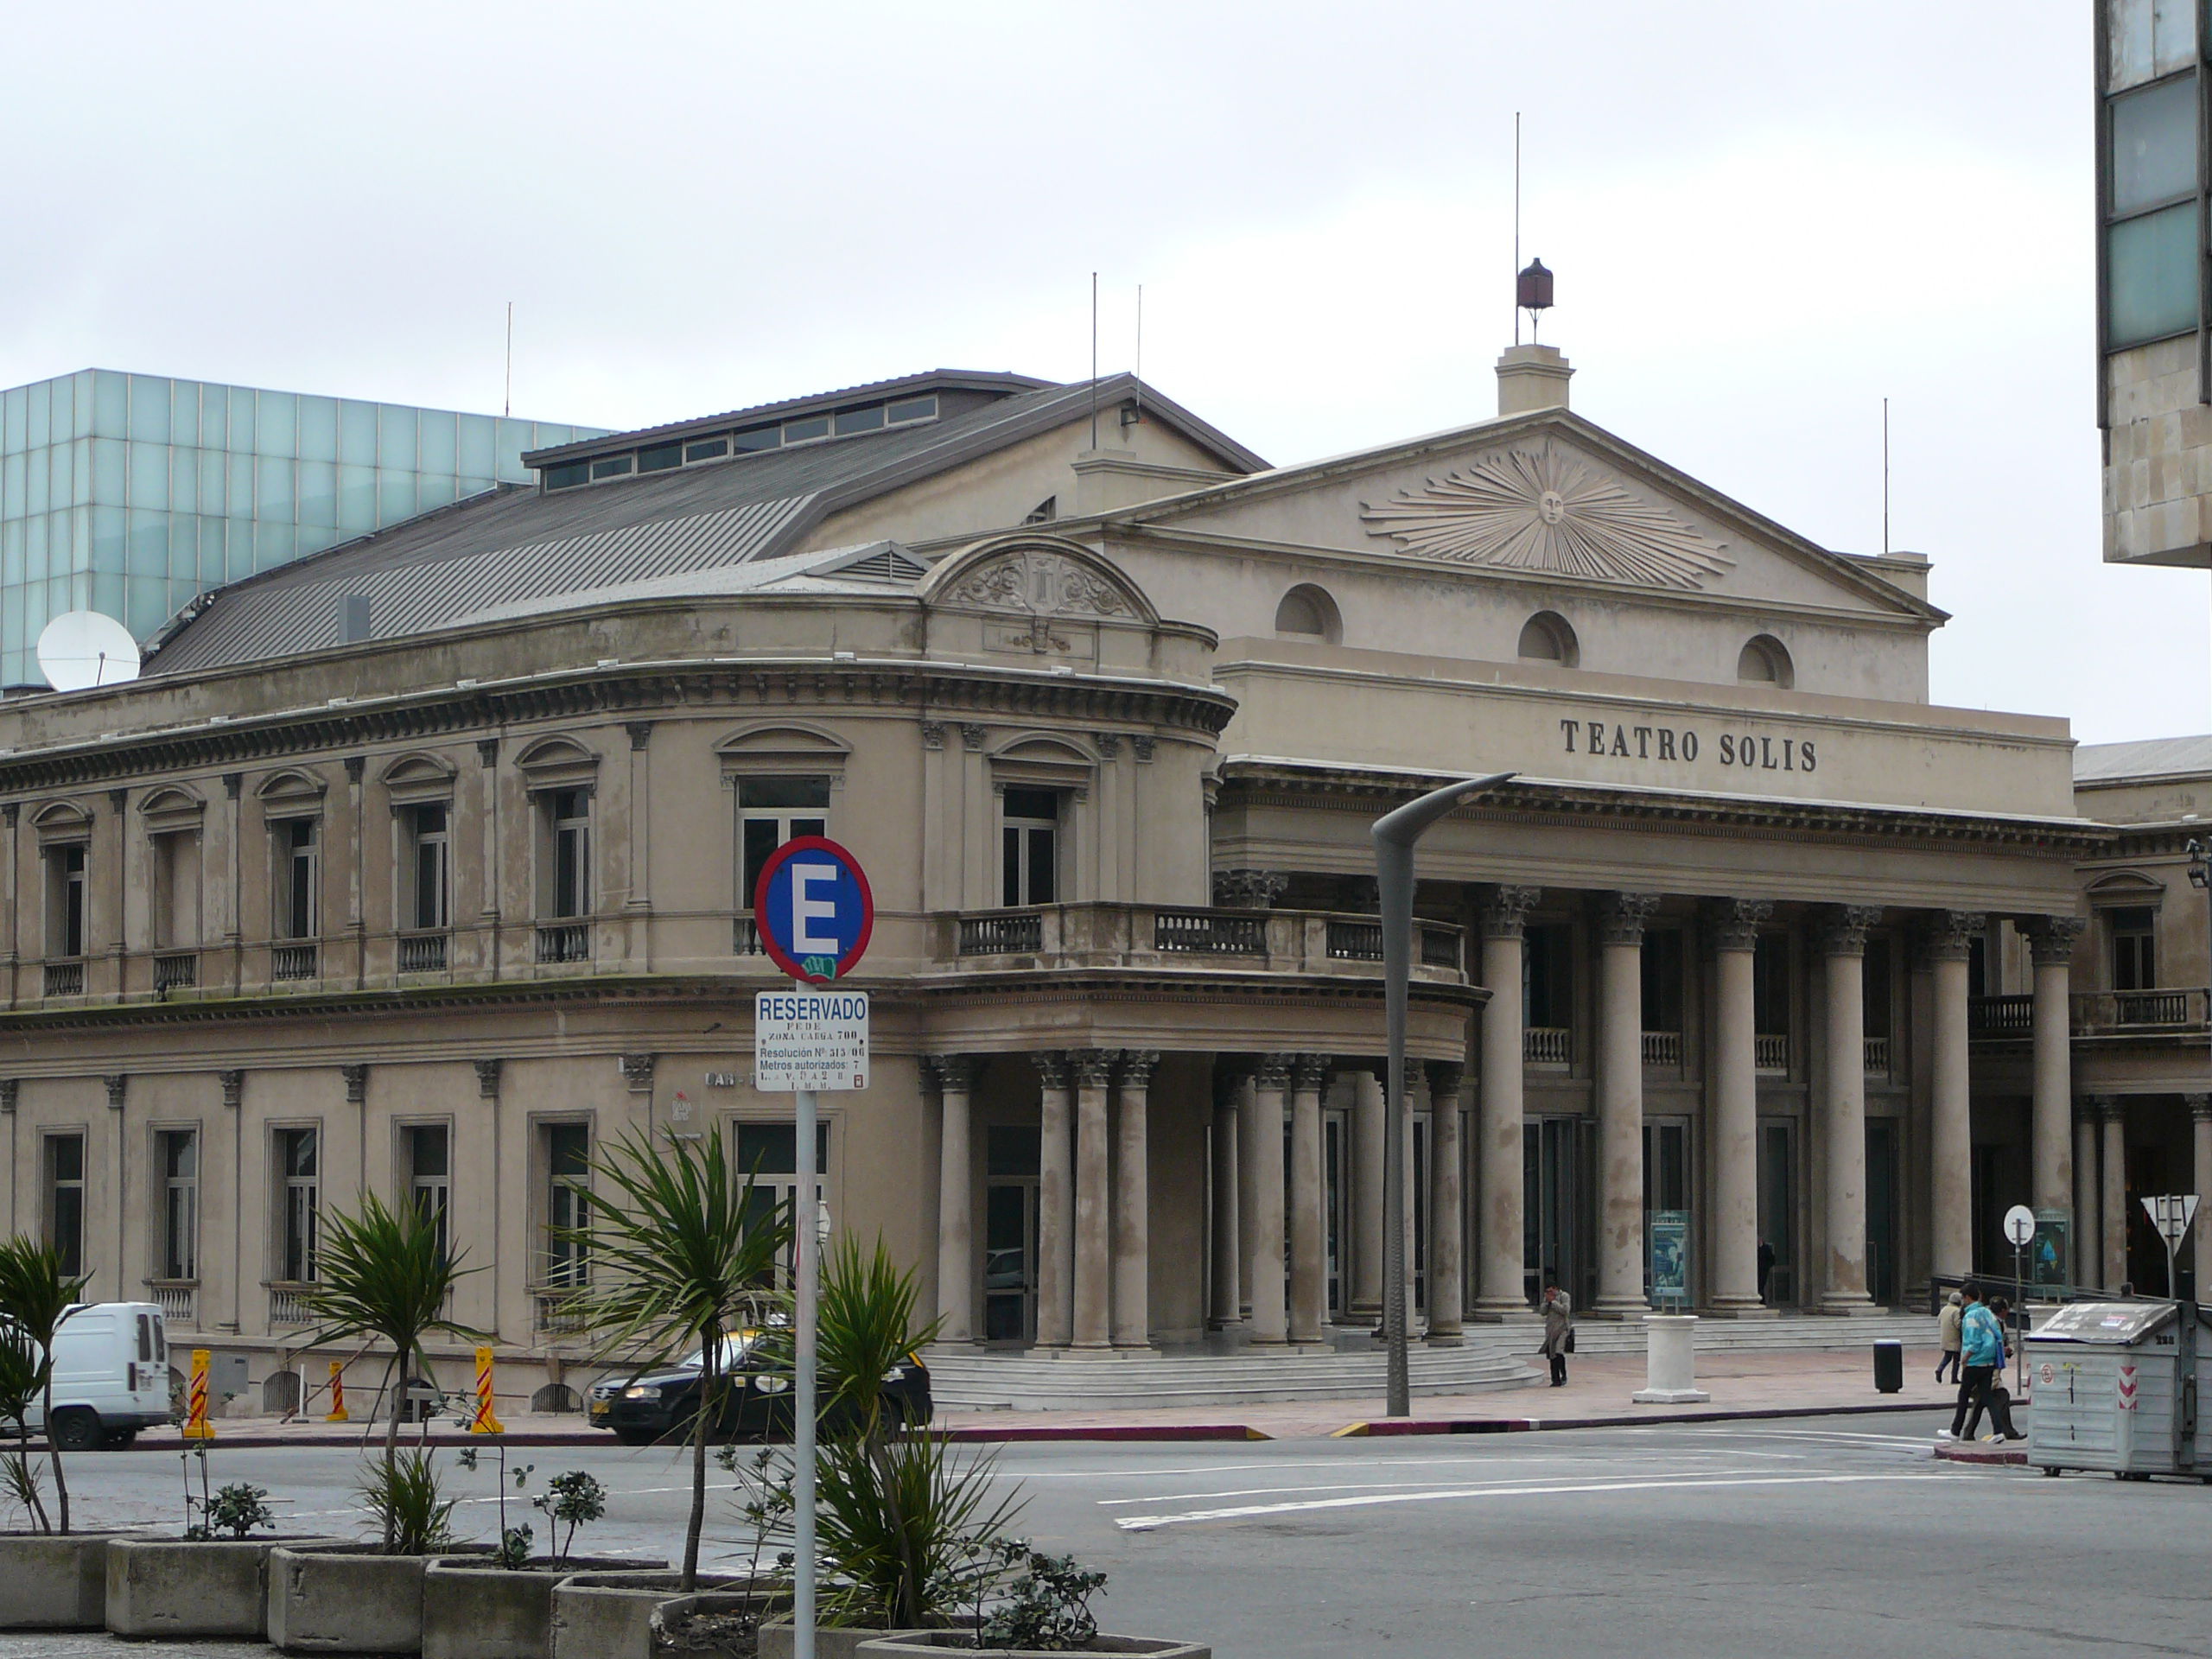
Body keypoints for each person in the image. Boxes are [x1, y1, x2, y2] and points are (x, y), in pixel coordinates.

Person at [1945, 1284, 2004, 1441]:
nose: (1962, 1302)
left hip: (1975, 1361)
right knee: (1987, 1396)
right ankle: (1998, 1431)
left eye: (1963, 1298)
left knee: (1963, 1394)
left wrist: (1965, 1358)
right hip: (1989, 1360)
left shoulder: (1971, 1317)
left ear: (1967, 1298)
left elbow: (1974, 1341)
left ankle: (1955, 1431)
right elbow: (1998, 1333)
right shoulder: (1987, 1312)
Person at [1966, 1296, 2025, 1441]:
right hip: (1986, 1367)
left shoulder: (1995, 1321)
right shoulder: (1990, 1323)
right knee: (2002, 1397)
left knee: (1982, 1401)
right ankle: (2005, 1432)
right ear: (2003, 1310)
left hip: (1987, 1367)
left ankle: (1968, 1433)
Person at [1540, 1283, 1573, 1387]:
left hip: (1562, 1328)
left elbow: (1565, 1311)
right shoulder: (1547, 1299)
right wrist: (1547, 1302)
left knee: (1559, 1352)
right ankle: (1555, 1379)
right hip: (1551, 1330)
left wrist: (1553, 1302)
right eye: (1547, 1291)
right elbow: (1542, 1312)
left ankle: (1563, 1375)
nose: (1549, 1293)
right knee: (1552, 1354)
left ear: (1556, 1289)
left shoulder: (1564, 1296)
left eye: (1551, 1291)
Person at [1936, 1289, 1964, 1384]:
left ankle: (1940, 1369)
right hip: (1954, 1338)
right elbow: (1958, 1324)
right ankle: (1954, 1377)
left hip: (1945, 1337)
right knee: (1956, 1359)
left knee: (1947, 1357)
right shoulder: (1956, 1311)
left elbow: (1939, 1320)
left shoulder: (1944, 1309)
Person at [1758, 1239, 1777, 1305]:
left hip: (1763, 1270)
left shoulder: (1766, 1248)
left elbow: (1772, 1259)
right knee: (1759, 1286)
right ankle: (1761, 1301)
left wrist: (1766, 1267)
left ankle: (1762, 1301)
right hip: (1757, 1270)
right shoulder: (1756, 1248)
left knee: (1761, 1286)